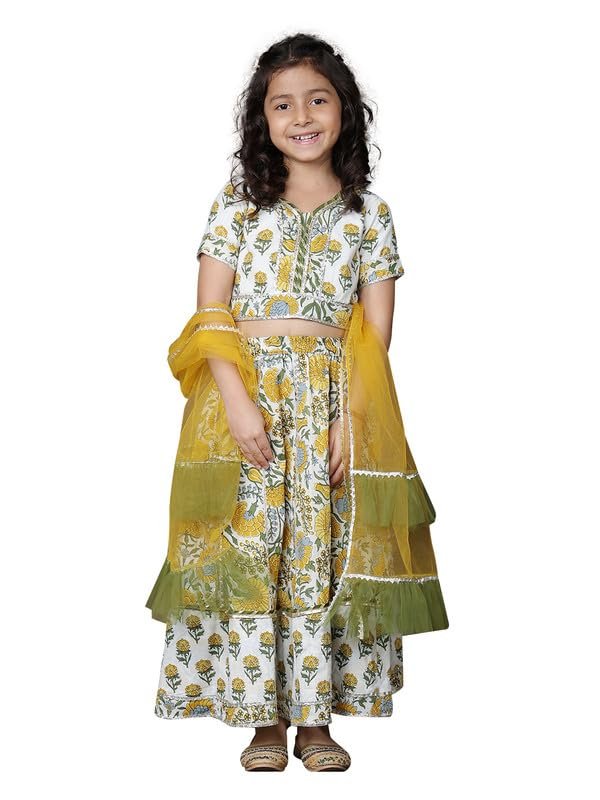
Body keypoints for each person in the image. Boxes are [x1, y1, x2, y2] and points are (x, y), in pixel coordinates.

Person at [145, 32, 449, 772]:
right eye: (282, 105)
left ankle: (315, 720)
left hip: (331, 402)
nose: (302, 116)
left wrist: (353, 420)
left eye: (318, 100)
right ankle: (262, 720)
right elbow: (210, 313)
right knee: (252, 548)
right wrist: (236, 402)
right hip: (246, 396)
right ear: (262, 118)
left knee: (320, 550)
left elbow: (375, 332)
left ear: (345, 110)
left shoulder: (368, 213)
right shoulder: (238, 205)